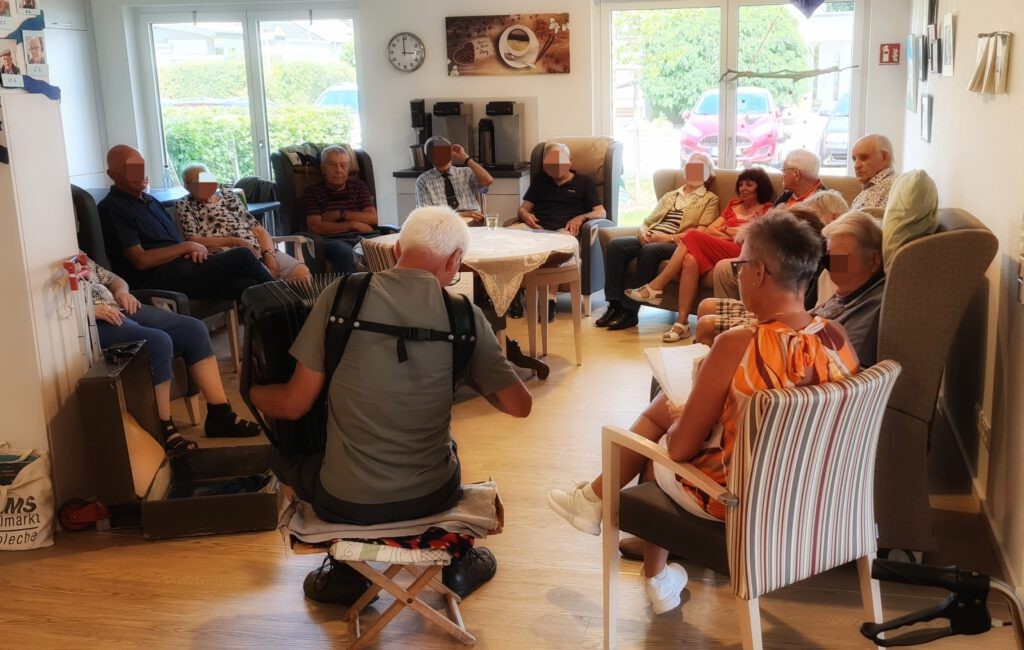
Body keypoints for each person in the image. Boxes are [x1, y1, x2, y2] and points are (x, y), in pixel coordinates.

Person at [548, 211, 859, 615]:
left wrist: (682, 416)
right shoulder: (835, 335)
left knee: (659, 445)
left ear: (758, 272)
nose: (737, 274)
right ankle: (613, 527)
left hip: (738, 501)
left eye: (740, 265)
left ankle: (642, 558)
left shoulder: (739, 343)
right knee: (669, 415)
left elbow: (679, 449)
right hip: (815, 498)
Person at [250, 206, 533, 605]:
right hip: (432, 495)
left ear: (398, 249)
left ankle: (346, 573)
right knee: (449, 446)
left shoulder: (341, 296)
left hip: (345, 500)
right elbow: (519, 405)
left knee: (283, 457)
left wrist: (251, 393)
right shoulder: (463, 315)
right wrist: (466, 368)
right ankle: (460, 562)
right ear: (455, 260)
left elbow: (294, 405)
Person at [86, 256, 261, 449]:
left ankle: (220, 414)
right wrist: (89, 310)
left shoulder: (75, 254)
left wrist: (121, 292)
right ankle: (162, 428)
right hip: (91, 321)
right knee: (158, 342)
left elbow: (113, 279)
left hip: (119, 307)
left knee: (194, 329)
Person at [694, 210, 883, 365]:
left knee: (710, 331)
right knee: (708, 310)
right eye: (830, 258)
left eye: (842, 259)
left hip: (792, 349)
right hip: (794, 333)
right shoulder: (847, 288)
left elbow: (841, 363)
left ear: (874, 260)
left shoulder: (870, 307)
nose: (832, 267)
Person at [98, 145, 274, 300]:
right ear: (112, 175)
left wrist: (192, 251)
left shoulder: (151, 201)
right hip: (158, 280)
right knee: (243, 255)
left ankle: (281, 319)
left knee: (248, 286)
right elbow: (141, 260)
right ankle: (288, 303)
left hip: (186, 269)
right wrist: (187, 247)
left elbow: (173, 244)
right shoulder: (112, 207)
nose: (139, 173)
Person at [624, 167, 773, 342]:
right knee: (690, 260)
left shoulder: (767, 209)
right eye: (741, 184)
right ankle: (681, 324)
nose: (743, 188)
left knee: (692, 234)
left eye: (749, 184)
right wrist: (732, 232)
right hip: (719, 247)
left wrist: (726, 231)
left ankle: (656, 286)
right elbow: (710, 230)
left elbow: (751, 237)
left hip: (741, 252)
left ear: (760, 187)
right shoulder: (733, 205)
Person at [596, 152, 718, 332]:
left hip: (677, 244)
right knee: (616, 245)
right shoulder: (671, 195)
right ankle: (614, 306)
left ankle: (630, 311)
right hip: (653, 237)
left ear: (707, 174)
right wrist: (642, 231)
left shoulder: (710, 199)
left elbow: (701, 232)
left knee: (650, 250)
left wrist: (665, 238)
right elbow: (648, 220)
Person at [710, 151, 828, 300]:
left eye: (784, 171)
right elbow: (764, 224)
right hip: (767, 254)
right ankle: (735, 314)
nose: (782, 175)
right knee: (723, 268)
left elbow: (819, 241)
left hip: (791, 262)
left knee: (726, 267)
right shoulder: (786, 196)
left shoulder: (824, 199)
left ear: (796, 174)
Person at [514, 141, 607, 319]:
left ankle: (550, 300)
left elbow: (601, 212)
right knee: (508, 236)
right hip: (537, 227)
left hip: (563, 230)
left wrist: (581, 217)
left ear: (570, 161)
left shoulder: (584, 182)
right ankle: (514, 294)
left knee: (557, 248)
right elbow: (523, 208)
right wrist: (525, 215)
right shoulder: (540, 180)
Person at [177, 164, 310, 282]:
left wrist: (269, 256)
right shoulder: (185, 204)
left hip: (260, 251)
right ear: (187, 187)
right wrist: (235, 241)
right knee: (269, 283)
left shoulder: (229, 196)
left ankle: (295, 303)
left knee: (302, 273)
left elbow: (258, 230)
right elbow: (194, 239)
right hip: (233, 257)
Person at [302, 145, 387, 274]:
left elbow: (372, 218)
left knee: (386, 248)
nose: (339, 170)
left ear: (348, 168)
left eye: (343, 165)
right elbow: (316, 226)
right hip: (334, 240)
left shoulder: (359, 186)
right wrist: (354, 224)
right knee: (345, 252)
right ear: (323, 168)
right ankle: (351, 287)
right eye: (333, 165)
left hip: (365, 236)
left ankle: (384, 285)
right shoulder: (313, 192)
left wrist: (339, 215)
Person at [415, 136, 493, 223]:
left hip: (473, 223)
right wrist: (460, 215)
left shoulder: (466, 172)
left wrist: (466, 158)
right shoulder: (423, 181)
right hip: (443, 225)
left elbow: (488, 180)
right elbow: (426, 215)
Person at [850, 133, 898, 210]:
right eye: (854, 159)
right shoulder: (870, 187)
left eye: (864, 158)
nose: (856, 165)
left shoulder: (894, 188)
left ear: (884, 157)